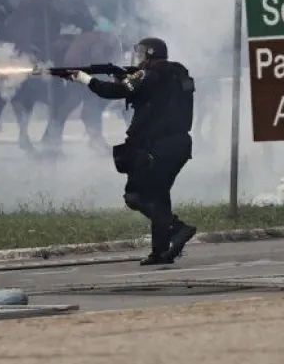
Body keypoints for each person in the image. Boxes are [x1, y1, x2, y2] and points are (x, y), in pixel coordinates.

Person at [66, 37, 197, 265]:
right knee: (159, 197)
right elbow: (150, 95)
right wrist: (125, 77)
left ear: (149, 53)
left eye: (141, 53)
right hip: (178, 146)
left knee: (136, 196)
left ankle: (178, 228)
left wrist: (87, 80)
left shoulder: (149, 75)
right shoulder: (175, 73)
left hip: (157, 147)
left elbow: (114, 91)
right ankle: (160, 253)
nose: (138, 57)